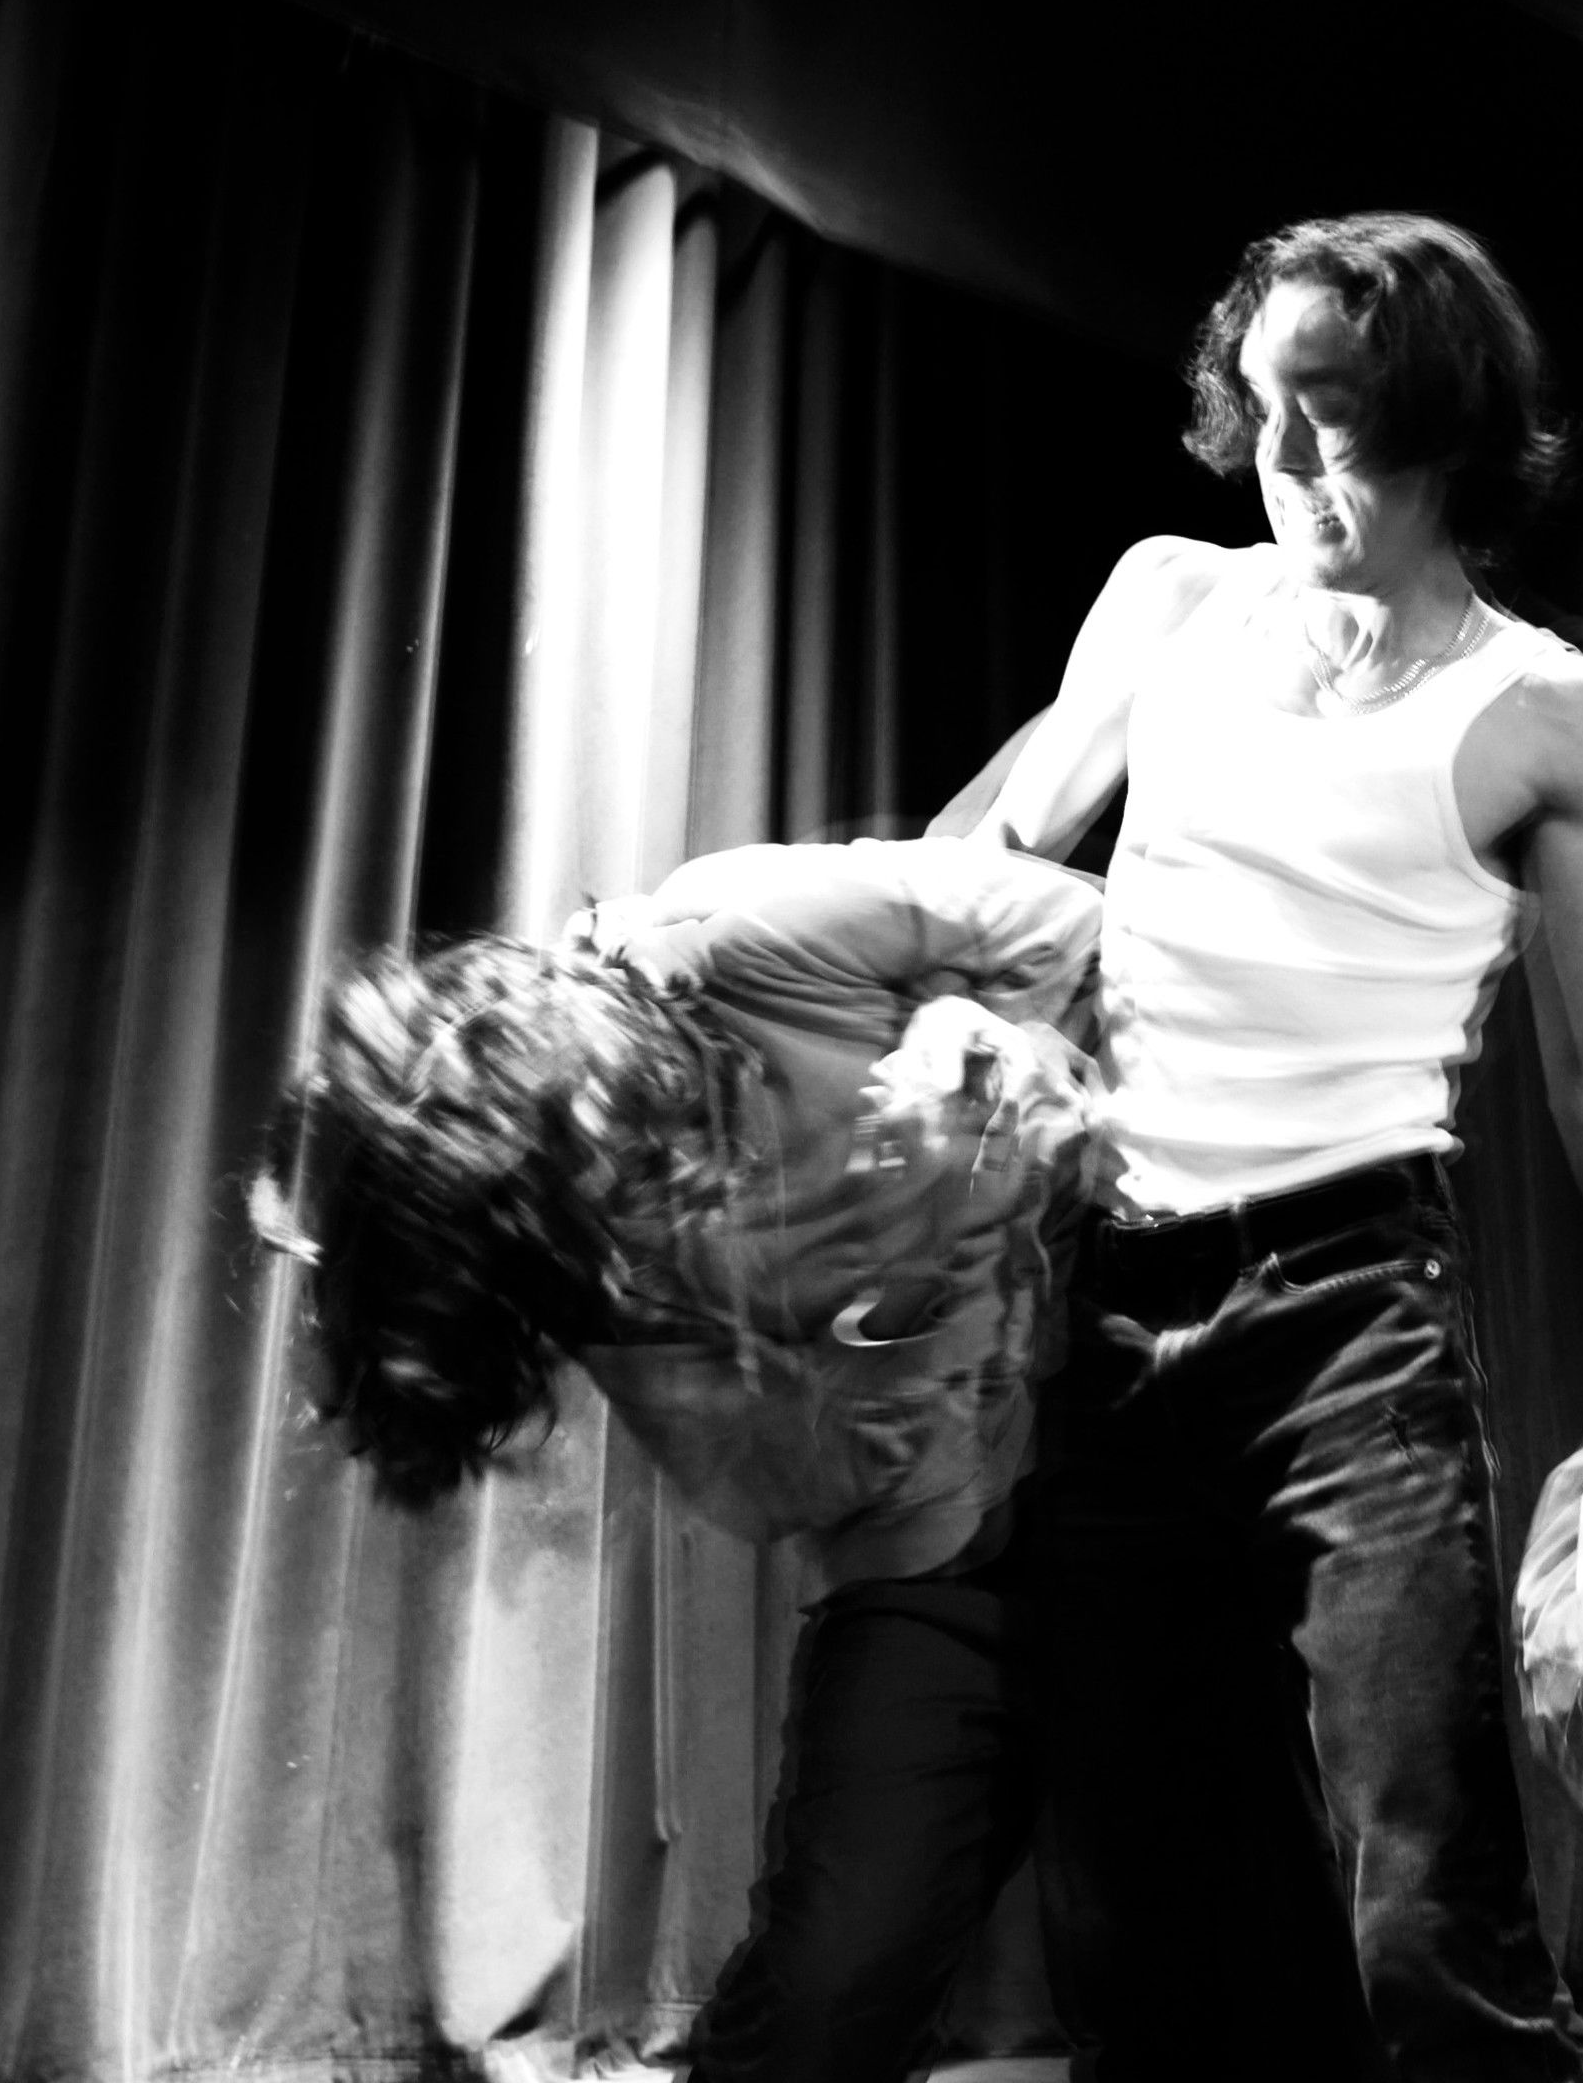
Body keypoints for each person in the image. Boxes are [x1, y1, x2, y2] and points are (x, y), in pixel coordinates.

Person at [950, 212, 1583, 2079]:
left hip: (1356, 1312)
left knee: (1425, 1904)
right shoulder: (1172, 603)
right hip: (1115, 1305)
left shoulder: (1550, 715)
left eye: (1335, 410)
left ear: (1444, 423)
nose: (1284, 455)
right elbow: (992, 864)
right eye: (1262, 404)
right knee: (1138, 1919)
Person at [251, 833, 1104, 2083]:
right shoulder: (601, 1283)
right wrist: (921, 1258)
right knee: (823, 2001)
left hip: (1149, 1431)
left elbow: (1106, 938)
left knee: (1207, 1968)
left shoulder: (748, 932)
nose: (629, 1229)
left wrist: (1008, 1058)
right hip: (936, 1568)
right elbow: (786, 1484)